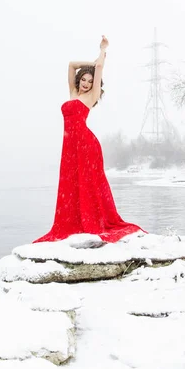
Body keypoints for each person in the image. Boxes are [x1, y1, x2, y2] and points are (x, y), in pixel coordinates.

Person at [34, 36, 145, 244]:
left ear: (95, 85)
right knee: (72, 183)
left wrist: (102, 51)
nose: (86, 83)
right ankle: (75, 221)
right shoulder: (73, 92)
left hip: (86, 145)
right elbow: (71, 65)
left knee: (89, 184)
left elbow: (100, 67)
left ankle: (92, 220)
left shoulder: (91, 96)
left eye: (90, 81)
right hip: (70, 146)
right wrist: (89, 65)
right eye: (84, 79)